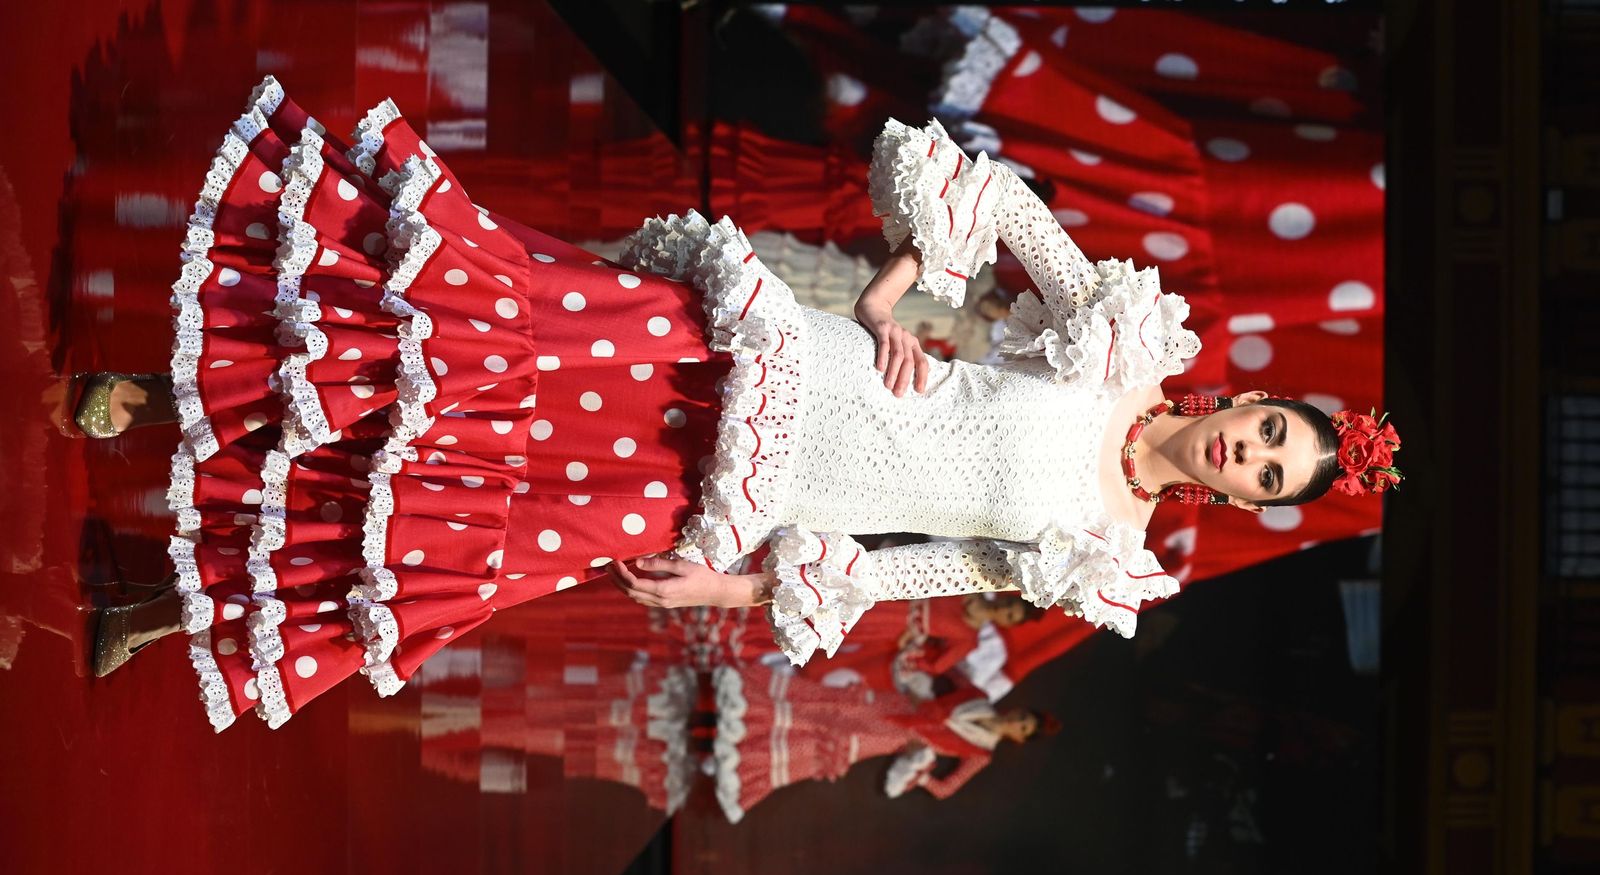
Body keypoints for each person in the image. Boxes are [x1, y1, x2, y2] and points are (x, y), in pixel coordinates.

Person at [77, 76, 1402, 729]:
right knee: (474, 335)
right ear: (1256, 401)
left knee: (465, 527)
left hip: (741, 493)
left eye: (1267, 474)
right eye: (1274, 429)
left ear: (1240, 502)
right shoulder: (1118, 343)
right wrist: (897, 292)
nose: (1251, 451)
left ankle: (176, 593)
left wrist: (735, 593)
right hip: (749, 359)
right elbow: (988, 195)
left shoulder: (1095, 555)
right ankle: (152, 391)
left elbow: (907, 577)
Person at [882, 688, 1061, 800]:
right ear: (1018, 709)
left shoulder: (981, 754)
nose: (1015, 723)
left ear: (1019, 739)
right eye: (1022, 717)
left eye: (1022, 729)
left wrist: (920, 773)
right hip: (901, 703)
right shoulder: (978, 697)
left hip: (898, 737)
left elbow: (945, 790)